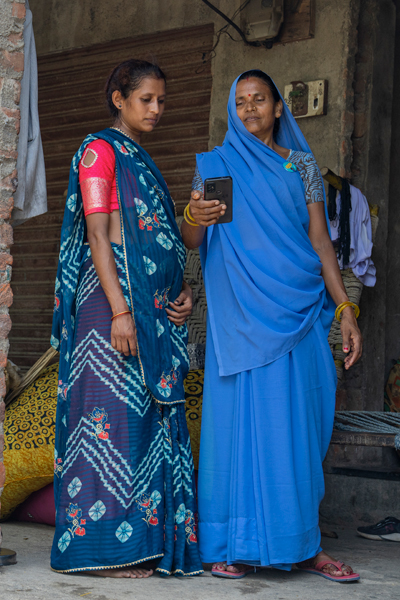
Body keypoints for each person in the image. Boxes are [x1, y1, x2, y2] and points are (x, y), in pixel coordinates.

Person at [181, 70, 363, 583]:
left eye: (259, 100)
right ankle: (227, 545)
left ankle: (303, 544)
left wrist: (345, 308)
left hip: (298, 314)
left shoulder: (301, 167)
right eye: (240, 102)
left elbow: (321, 243)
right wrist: (194, 213)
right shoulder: (219, 166)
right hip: (241, 321)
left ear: (279, 107)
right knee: (234, 431)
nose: (249, 109)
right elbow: (193, 239)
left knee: (296, 431)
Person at [50, 59, 203, 578]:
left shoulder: (142, 161)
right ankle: (102, 552)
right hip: (109, 306)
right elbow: (99, 237)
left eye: (163, 101)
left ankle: (142, 541)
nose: (157, 109)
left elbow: (156, 241)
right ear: (119, 98)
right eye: (147, 100)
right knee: (106, 425)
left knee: (141, 422)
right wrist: (120, 311)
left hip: (153, 310)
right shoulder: (100, 153)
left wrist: (179, 290)